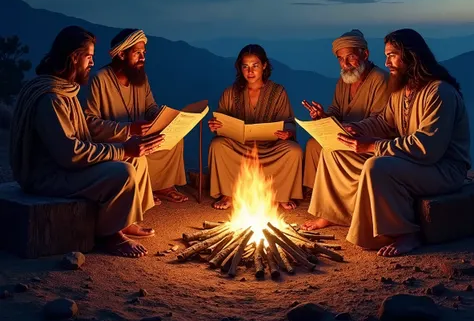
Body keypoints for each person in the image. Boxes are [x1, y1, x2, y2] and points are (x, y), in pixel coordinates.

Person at [303, 28, 471, 256]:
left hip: (442, 168)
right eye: (386, 55)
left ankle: (405, 233)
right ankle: (338, 214)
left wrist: (373, 146)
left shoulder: (439, 92)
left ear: (410, 56)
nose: (386, 61)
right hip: (415, 161)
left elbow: (428, 148)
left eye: (392, 55)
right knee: (335, 151)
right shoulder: (401, 90)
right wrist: (355, 129)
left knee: (377, 166)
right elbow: (384, 122)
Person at [9, 26, 163, 258]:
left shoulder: (63, 90)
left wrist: (128, 147)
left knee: (135, 156)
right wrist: (121, 149)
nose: (92, 63)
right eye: (89, 57)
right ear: (74, 58)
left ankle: (123, 220)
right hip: (47, 175)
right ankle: (109, 235)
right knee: (123, 173)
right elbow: (70, 154)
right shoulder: (51, 99)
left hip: (64, 165)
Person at [84, 29, 187, 205]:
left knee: (175, 139)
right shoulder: (99, 80)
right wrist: (128, 129)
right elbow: (89, 123)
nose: (142, 58)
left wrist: (164, 116)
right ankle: (143, 190)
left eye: (144, 53)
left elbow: (150, 108)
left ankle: (162, 186)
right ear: (122, 54)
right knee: (137, 152)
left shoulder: (140, 78)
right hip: (116, 141)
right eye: (137, 53)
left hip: (141, 134)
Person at [208, 44, 303, 211]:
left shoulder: (278, 92)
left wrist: (287, 132)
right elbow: (221, 122)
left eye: (255, 66)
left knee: (293, 151)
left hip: (271, 148)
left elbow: (288, 121)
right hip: (239, 148)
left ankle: (281, 195)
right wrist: (217, 126)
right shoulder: (230, 93)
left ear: (264, 65)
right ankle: (229, 194)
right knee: (218, 146)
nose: (250, 71)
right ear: (240, 68)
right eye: (245, 66)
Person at [302, 29, 389, 200]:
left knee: (329, 150)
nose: (345, 64)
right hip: (342, 135)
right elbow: (336, 111)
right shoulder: (344, 80)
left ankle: (330, 201)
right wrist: (322, 115)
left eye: (350, 57)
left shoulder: (380, 79)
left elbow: (380, 121)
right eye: (340, 59)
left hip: (364, 140)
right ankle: (316, 195)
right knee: (313, 145)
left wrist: (353, 129)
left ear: (365, 54)